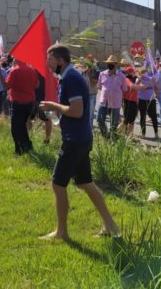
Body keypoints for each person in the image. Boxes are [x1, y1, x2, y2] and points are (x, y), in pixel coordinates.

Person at [38, 44, 120, 240]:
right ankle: (111, 226)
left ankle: (62, 232)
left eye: (49, 59)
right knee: (86, 183)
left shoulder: (71, 78)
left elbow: (77, 111)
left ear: (59, 60)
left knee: (58, 184)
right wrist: (57, 111)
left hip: (74, 141)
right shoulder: (69, 77)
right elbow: (73, 110)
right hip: (81, 137)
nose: (47, 63)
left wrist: (52, 105)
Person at [4, 57, 39, 155]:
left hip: (19, 102)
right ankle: (28, 146)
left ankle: (18, 150)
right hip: (29, 102)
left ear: (16, 60)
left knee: (15, 128)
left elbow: (7, 86)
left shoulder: (15, 71)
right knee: (22, 125)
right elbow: (37, 85)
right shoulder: (31, 70)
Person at [96, 56, 126, 138]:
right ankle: (106, 136)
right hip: (104, 101)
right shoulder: (102, 74)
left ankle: (112, 139)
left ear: (115, 65)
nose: (109, 65)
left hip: (115, 103)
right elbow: (99, 86)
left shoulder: (121, 76)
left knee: (114, 123)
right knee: (99, 119)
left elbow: (124, 89)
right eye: (108, 64)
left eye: (111, 64)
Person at [136, 67, 159, 139]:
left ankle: (156, 134)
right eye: (142, 72)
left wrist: (155, 83)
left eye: (145, 72)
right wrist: (140, 78)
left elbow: (156, 88)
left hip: (151, 100)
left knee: (154, 117)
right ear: (140, 73)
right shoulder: (139, 80)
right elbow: (143, 87)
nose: (144, 73)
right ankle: (143, 134)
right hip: (142, 100)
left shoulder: (150, 78)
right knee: (143, 117)